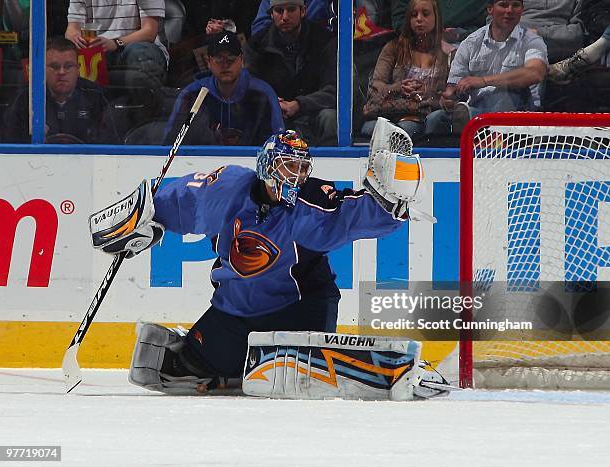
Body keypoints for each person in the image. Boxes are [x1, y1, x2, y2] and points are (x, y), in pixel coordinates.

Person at [89, 128, 428, 394]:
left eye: (301, 169)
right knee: (176, 368)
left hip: (300, 307)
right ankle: (228, 368)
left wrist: (389, 197)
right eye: (288, 166)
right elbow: (177, 199)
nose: (295, 176)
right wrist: (141, 218)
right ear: (267, 165)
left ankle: (268, 364)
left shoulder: (309, 205)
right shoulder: (226, 189)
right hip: (236, 309)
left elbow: (354, 212)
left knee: (301, 374)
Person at [425, 0, 548, 135]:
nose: (509, 10)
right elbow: (452, 87)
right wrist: (449, 98)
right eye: (503, 5)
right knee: (434, 119)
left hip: (517, 116)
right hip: (475, 111)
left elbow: (535, 73)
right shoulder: (471, 43)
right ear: (490, 9)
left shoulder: (531, 40)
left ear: (522, 10)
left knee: (503, 93)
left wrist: (484, 80)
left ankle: (471, 119)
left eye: (516, 6)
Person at [163, 31, 284, 146]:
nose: (225, 65)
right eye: (219, 59)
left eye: (231, 59)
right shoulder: (191, 95)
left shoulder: (263, 93)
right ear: (208, 62)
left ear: (241, 60)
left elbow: (278, 143)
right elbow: (171, 144)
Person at [244, 0, 338, 146]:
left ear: (303, 11)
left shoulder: (324, 40)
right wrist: (273, 101)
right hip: (274, 114)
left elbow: (335, 90)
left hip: (313, 112)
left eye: (291, 9)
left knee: (330, 117)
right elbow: (247, 86)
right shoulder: (257, 44)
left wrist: (299, 104)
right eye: (279, 11)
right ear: (271, 14)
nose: (285, 16)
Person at [361, 0, 455, 142]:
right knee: (370, 129)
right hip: (392, 112)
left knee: (407, 128)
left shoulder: (448, 54)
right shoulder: (393, 48)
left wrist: (427, 92)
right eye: (413, 15)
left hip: (426, 115)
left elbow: (452, 97)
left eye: (425, 14)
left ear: (436, 17)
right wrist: (398, 87)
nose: (419, 19)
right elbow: (376, 85)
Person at [4, 37, 118, 144]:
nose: (61, 72)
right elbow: (11, 144)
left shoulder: (96, 96)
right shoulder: (26, 98)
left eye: (68, 66)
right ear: (43, 68)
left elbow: (108, 143)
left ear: (78, 69)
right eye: (54, 66)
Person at [65, 0, 168, 88]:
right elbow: (72, 29)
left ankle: (147, 110)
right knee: (64, 56)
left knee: (140, 54)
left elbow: (149, 31)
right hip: (100, 48)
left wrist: (115, 43)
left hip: (136, 45)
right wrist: (76, 37)